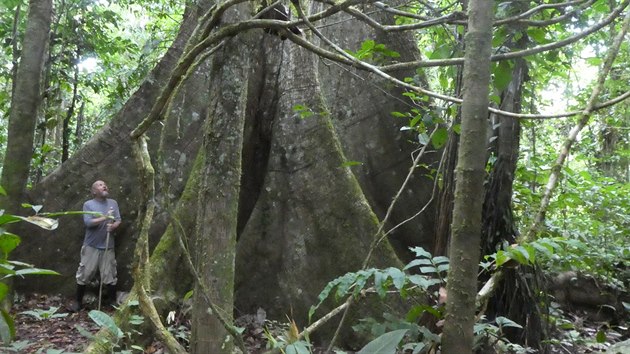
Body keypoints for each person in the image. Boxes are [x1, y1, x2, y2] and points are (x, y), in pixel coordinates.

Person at [70, 180, 121, 312]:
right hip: (91, 245)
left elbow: (118, 220)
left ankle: (112, 301)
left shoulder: (113, 203)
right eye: (100, 185)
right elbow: (88, 223)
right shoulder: (88, 205)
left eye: (105, 184)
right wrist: (105, 217)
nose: (104, 185)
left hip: (108, 245)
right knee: (84, 273)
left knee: (109, 274)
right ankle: (77, 302)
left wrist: (113, 226)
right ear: (94, 191)